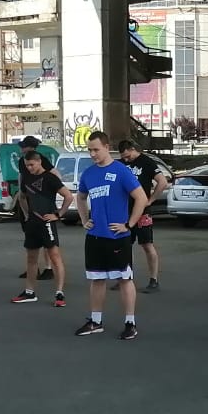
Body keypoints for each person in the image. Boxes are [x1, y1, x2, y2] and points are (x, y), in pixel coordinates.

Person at [74, 131, 148, 339]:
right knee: (97, 279)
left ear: (107, 147)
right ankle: (95, 321)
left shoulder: (121, 171)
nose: (92, 154)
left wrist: (129, 224)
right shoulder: (89, 174)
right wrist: (84, 219)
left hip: (117, 237)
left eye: (96, 150)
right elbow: (80, 197)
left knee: (124, 279)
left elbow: (141, 198)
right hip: (95, 236)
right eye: (89, 150)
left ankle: (130, 323)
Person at [10, 150, 73, 307]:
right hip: (33, 222)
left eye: (31, 165)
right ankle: (29, 292)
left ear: (39, 162)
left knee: (55, 257)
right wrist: (26, 214)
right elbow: (22, 196)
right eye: (27, 165)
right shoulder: (27, 178)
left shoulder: (50, 178)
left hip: (47, 222)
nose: (29, 168)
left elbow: (68, 196)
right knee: (31, 258)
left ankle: (59, 294)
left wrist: (58, 214)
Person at [118, 139, 169, 292]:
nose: (127, 160)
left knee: (147, 244)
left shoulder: (146, 162)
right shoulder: (120, 164)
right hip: (125, 211)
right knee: (124, 245)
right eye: (124, 158)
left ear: (133, 149)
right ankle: (125, 276)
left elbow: (162, 182)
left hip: (142, 212)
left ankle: (154, 279)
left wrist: (150, 200)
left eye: (128, 156)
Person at [16, 135, 59, 281]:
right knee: (31, 238)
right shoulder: (22, 161)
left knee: (47, 238)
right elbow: (21, 177)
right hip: (28, 200)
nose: (21, 149)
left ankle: (48, 268)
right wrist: (21, 192)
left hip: (42, 203)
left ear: (32, 148)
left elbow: (55, 174)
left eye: (24, 146)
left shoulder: (40, 159)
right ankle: (33, 268)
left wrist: (48, 190)